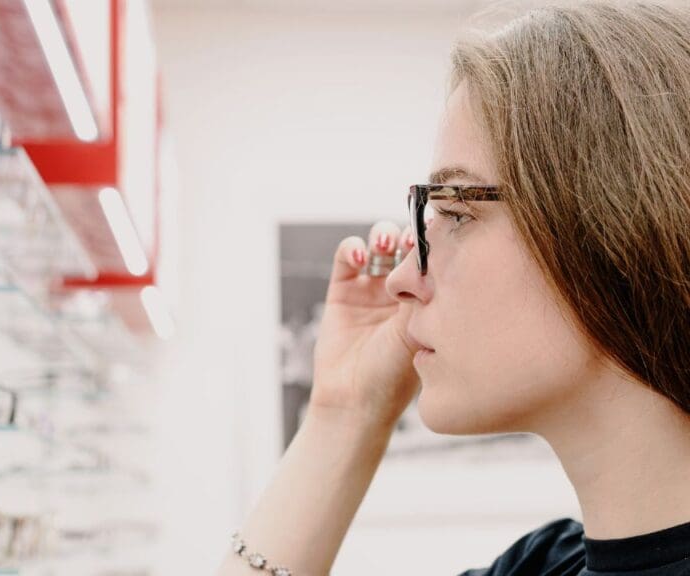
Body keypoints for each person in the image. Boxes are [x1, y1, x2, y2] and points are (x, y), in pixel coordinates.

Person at [218, 2, 690, 575]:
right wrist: (345, 412)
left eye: (458, 212)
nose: (399, 279)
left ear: (612, 224)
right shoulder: (540, 565)